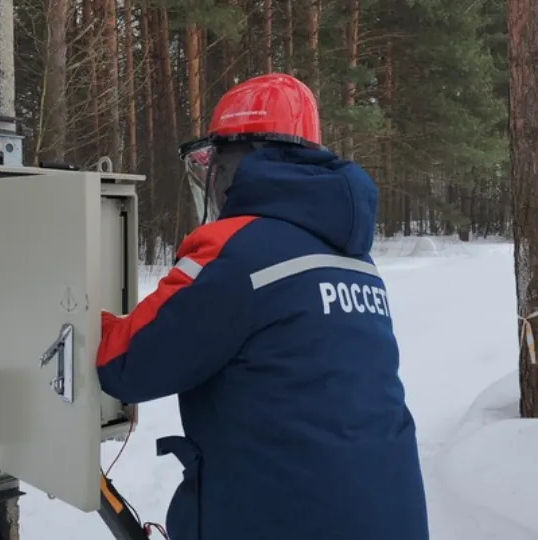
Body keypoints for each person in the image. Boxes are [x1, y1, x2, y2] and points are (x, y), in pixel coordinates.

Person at [96, 73, 428, 540]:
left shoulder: (236, 250)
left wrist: (70, 314)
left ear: (236, 163)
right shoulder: (354, 257)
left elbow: (127, 363)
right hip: (388, 516)